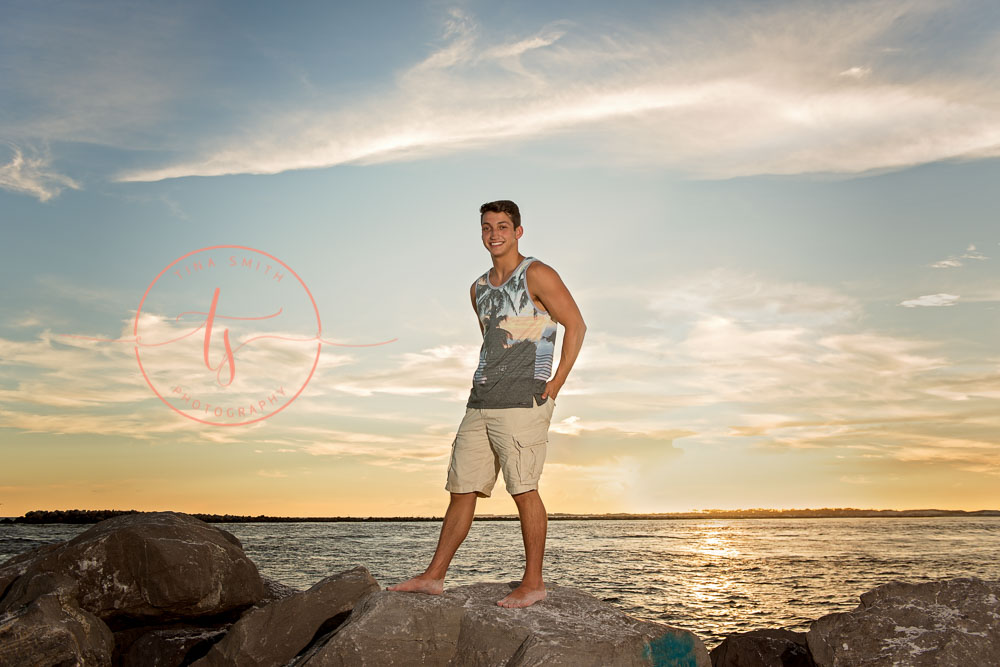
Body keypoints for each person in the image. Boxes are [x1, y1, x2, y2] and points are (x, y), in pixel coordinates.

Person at [387, 199, 587, 608]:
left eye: (502, 226)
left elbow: (576, 324)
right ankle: (433, 577)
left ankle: (534, 583)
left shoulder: (537, 274)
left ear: (518, 232)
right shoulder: (477, 288)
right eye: (486, 227)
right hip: (480, 401)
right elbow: (494, 340)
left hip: (523, 400)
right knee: (461, 490)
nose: (494, 234)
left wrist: (557, 382)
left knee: (524, 489)